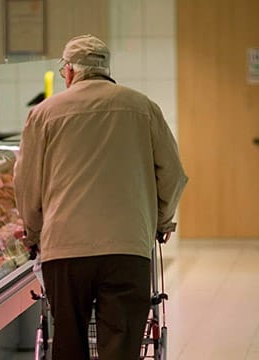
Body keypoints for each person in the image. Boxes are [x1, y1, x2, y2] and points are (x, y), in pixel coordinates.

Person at [13, 34, 188, 360]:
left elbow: (26, 185)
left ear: (68, 72)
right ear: (106, 69)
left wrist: (34, 234)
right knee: (120, 346)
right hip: (128, 248)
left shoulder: (43, 114)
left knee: (67, 341)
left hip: (63, 249)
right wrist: (161, 221)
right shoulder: (143, 107)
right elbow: (174, 174)